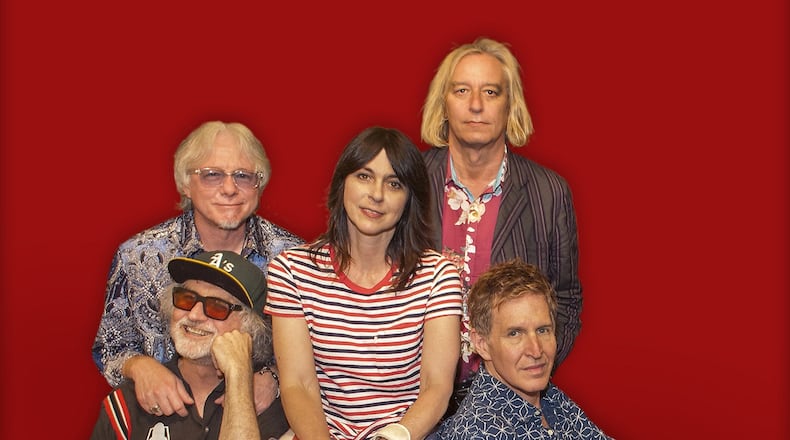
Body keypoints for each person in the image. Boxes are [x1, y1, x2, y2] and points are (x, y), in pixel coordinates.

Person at [92, 121, 304, 417]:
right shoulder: (138, 255)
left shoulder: (294, 258)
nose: (229, 189)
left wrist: (274, 379)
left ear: (260, 184)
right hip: (163, 420)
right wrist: (140, 367)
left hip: (261, 423)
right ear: (185, 184)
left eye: (243, 176)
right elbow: (110, 347)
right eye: (212, 175)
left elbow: (321, 351)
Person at [265, 127, 463, 440]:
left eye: (394, 183)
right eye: (364, 176)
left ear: (410, 198)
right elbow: (298, 384)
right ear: (342, 183)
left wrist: (391, 437)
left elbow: (436, 387)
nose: (377, 194)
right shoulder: (291, 270)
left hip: (405, 434)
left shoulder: (439, 276)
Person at [420, 37, 583, 411]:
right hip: (412, 399)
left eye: (490, 92)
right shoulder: (409, 181)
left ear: (510, 105)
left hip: (509, 403)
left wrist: (526, 373)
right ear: (444, 104)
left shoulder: (549, 192)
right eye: (462, 90)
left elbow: (567, 301)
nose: (475, 104)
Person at [91, 250, 290, 440]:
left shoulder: (274, 405)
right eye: (186, 299)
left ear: (251, 327)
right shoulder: (130, 402)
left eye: (217, 306)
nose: (194, 315)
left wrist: (239, 376)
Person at [428, 260, 609, 439]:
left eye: (542, 330)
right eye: (515, 333)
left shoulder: (550, 398)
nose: (536, 350)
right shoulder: (480, 431)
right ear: (482, 344)